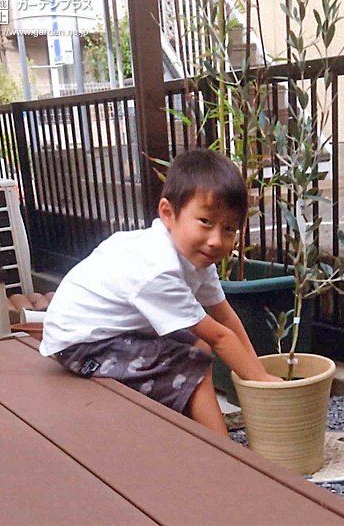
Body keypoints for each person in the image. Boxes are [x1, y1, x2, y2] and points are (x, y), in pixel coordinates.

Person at [40, 148, 281, 438]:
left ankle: (199, 433)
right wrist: (261, 383)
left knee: (197, 348)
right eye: (205, 221)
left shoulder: (195, 255)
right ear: (168, 213)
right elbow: (219, 336)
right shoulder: (158, 268)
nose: (217, 240)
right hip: (84, 344)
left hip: (109, 330)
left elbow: (226, 317)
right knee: (192, 362)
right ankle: (223, 452)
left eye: (229, 228)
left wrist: (258, 372)